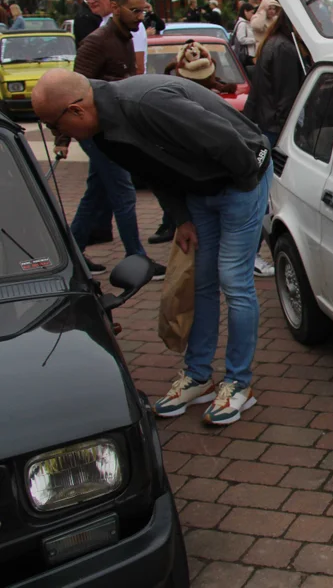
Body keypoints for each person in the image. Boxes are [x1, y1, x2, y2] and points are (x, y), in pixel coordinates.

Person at [32, 69, 272, 425]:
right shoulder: (103, 133)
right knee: (201, 280)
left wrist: (241, 194)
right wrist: (182, 218)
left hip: (240, 178)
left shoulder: (147, 104)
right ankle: (198, 375)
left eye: (56, 125)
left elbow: (228, 143)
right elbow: (155, 170)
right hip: (200, 189)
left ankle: (238, 383)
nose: (58, 135)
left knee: (233, 279)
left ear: (77, 110)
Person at [63, 0, 164, 278]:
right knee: (123, 192)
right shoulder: (97, 42)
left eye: (144, 11)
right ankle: (138, 257)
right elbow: (72, 90)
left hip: (112, 127)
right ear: (116, 7)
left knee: (97, 192)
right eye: (135, 10)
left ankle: (71, 255)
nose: (140, 17)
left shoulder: (126, 37)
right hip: (98, 132)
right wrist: (62, 138)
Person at [245, 10, 307, 278]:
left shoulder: (276, 44)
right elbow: (286, 99)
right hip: (273, 130)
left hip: (266, 126)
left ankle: (250, 254)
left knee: (262, 196)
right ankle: (251, 255)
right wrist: (287, 138)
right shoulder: (283, 48)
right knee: (263, 199)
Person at [232, 2, 257, 68]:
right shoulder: (242, 24)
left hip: (248, 54)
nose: (253, 15)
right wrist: (254, 40)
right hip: (246, 54)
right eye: (252, 12)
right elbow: (241, 39)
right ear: (245, 11)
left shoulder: (246, 23)